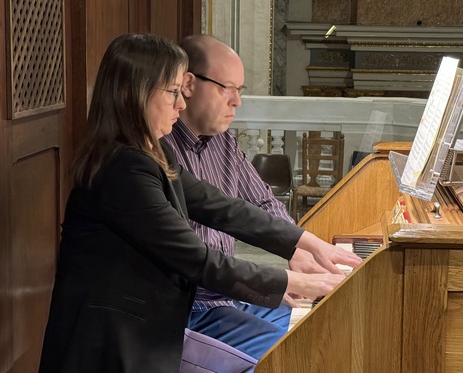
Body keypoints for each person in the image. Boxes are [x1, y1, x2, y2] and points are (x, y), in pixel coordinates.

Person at [38, 33, 361, 373]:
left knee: (298, 344)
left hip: (149, 325)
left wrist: (304, 242)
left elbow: (222, 208)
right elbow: (198, 260)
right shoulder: (122, 169)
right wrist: (294, 281)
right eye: (173, 92)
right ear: (134, 93)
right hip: (116, 341)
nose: (181, 103)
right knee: (290, 358)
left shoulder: (152, 153)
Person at [162, 35, 324, 361]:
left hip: (233, 296)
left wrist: (296, 249)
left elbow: (262, 202)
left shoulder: (224, 142)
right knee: (302, 352)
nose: (237, 101)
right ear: (189, 85)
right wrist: (275, 283)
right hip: (195, 308)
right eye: (228, 88)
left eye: (241, 90)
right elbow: (200, 260)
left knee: (321, 325)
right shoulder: (163, 149)